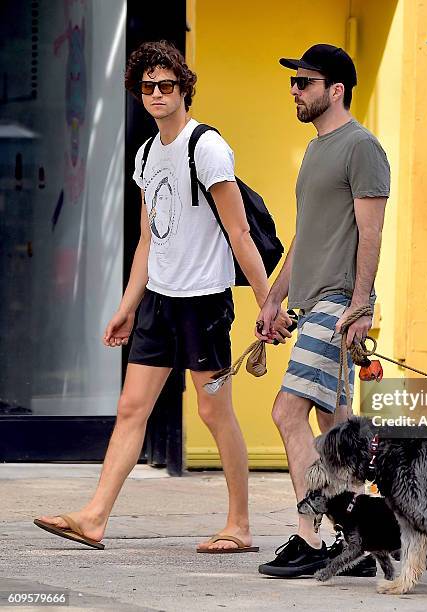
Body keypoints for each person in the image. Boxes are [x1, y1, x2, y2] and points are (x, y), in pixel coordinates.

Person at [34, 40, 290, 553]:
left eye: (166, 85)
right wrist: (127, 307)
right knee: (131, 407)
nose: (156, 93)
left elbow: (239, 233)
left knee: (214, 412)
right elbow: (149, 240)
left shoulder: (208, 147)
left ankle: (239, 525)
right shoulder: (147, 154)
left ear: (183, 89)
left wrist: (269, 303)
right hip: (159, 302)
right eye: (147, 86)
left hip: (203, 303)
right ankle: (94, 518)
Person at [256, 44, 390, 577]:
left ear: (335, 91)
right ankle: (360, 540)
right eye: (294, 82)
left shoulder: (362, 148)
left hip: (337, 307)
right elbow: (304, 238)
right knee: (337, 426)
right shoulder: (315, 152)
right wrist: (272, 298)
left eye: (306, 82)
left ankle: (310, 534)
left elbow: (372, 234)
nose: (295, 90)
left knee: (287, 413)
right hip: (312, 304)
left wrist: (360, 308)